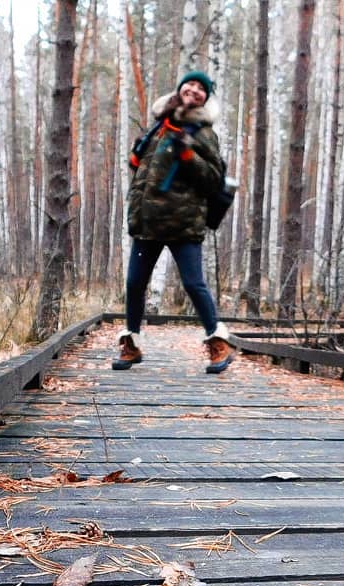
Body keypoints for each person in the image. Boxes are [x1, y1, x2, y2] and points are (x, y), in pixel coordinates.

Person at [113, 70, 235, 374]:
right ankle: (131, 346)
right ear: (180, 88)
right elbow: (143, 171)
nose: (193, 90)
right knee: (134, 284)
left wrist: (187, 155)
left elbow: (213, 179)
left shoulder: (204, 133)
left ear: (205, 98)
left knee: (194, 284)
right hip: (148, 223)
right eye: (189, 84)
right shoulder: (159, 126)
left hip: (183, 224)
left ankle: (218, 345)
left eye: (200, 88)